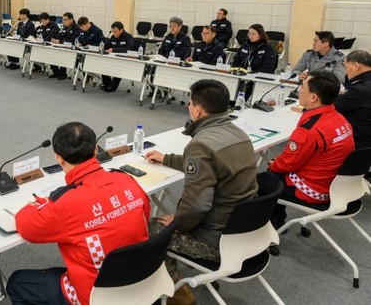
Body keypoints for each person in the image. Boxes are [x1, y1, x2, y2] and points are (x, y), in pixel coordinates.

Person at [6, 122, 150, 305]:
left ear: (59, 158)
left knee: (17, 282)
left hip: (94, 296)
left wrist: (42, 203)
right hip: (141, 281)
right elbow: (145, 216)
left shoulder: (65, 203)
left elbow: (26, 227)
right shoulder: (126, 180)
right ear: (96, 150)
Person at [145, 79, 258, 304]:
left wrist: (177, 224)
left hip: (218, 241)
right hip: (246, 231)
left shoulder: (201, 144)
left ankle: (179, 297)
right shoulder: (238, 133)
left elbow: (197, 205)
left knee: (151, 229)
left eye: (189, 103)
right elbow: (207, 163)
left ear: (197, 110)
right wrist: (166, 159)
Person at [257, 71, 354, 229]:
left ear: (313, 97)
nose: (299, 90)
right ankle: (277, 218)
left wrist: (274, 164)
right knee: (276, 173)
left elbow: (287, 164)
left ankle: (266, 225)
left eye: (302, 87)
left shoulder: (310, 129)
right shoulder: (339, 118)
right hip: (335, 186)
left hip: (315, 190)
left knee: (259, 180)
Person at [335, 50, 371, 150]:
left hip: (358, 142)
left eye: (346, 68)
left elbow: (334, 106)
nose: (346, 72)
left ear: (356, 66)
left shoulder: (359, 89)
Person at [101, 21, 135, 92]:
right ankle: (106, 84)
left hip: (124, 60)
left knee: (118, 68)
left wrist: (113, 49)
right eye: (112, 31)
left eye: (115, 31)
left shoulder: (128, 37)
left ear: (121, 30)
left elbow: (128, 49)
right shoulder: (112, 37)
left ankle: (112, 87)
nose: (114, 33)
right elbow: (106, 48)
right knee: (103, 65)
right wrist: (107, 42)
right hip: (113, 58)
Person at [49, 12, 81, 80]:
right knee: (52, 52)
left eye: (65, 20)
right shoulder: (64, 27)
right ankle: (56, 72)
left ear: (71, 20)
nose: (63, 21)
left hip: (72, 49)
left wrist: (60, 41)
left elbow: (73, 40)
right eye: (63, 20)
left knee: (62, 54)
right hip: (63, 47)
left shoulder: (77, 28)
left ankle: (63, 74)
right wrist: (54, 39)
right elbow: (60, 36)